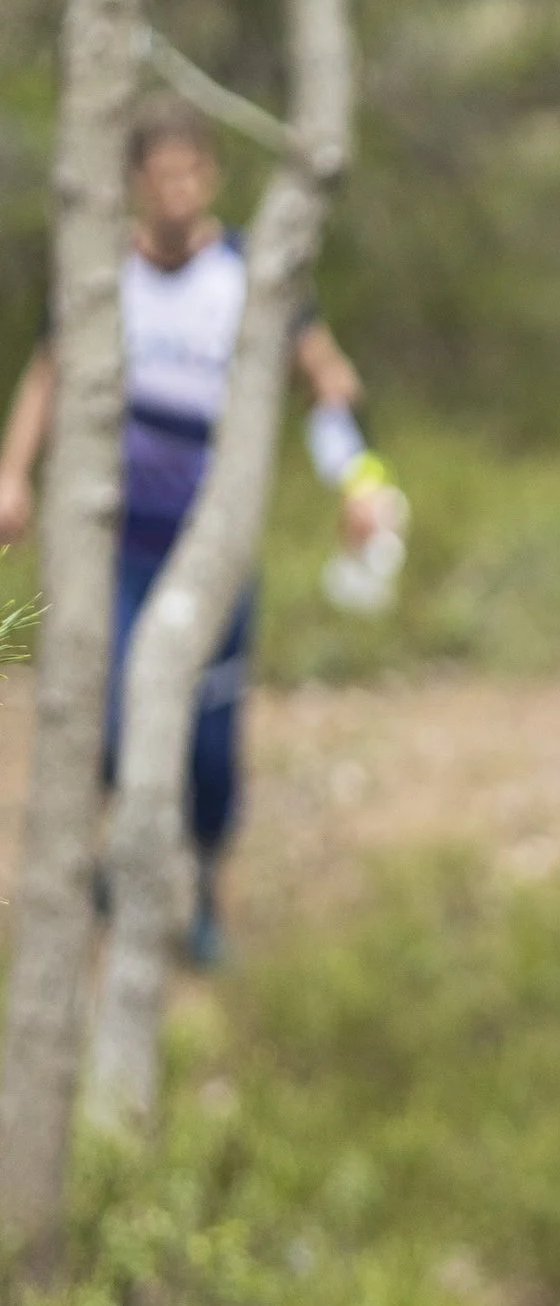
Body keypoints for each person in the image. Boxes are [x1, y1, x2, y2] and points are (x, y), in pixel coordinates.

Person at [0, 99, 390, 965]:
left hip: (213, 545)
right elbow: (47, 371)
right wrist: (12, 473)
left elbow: (326, 381)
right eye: (159, 175)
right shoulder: (103, 273)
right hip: (117, 543)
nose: (176, 192)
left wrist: (361, 481)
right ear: (137, 182)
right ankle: (119, 865)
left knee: (209, 745)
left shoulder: (253, 276)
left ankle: (207, 887)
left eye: (190, 174)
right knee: (108, 718)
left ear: (210, 175)